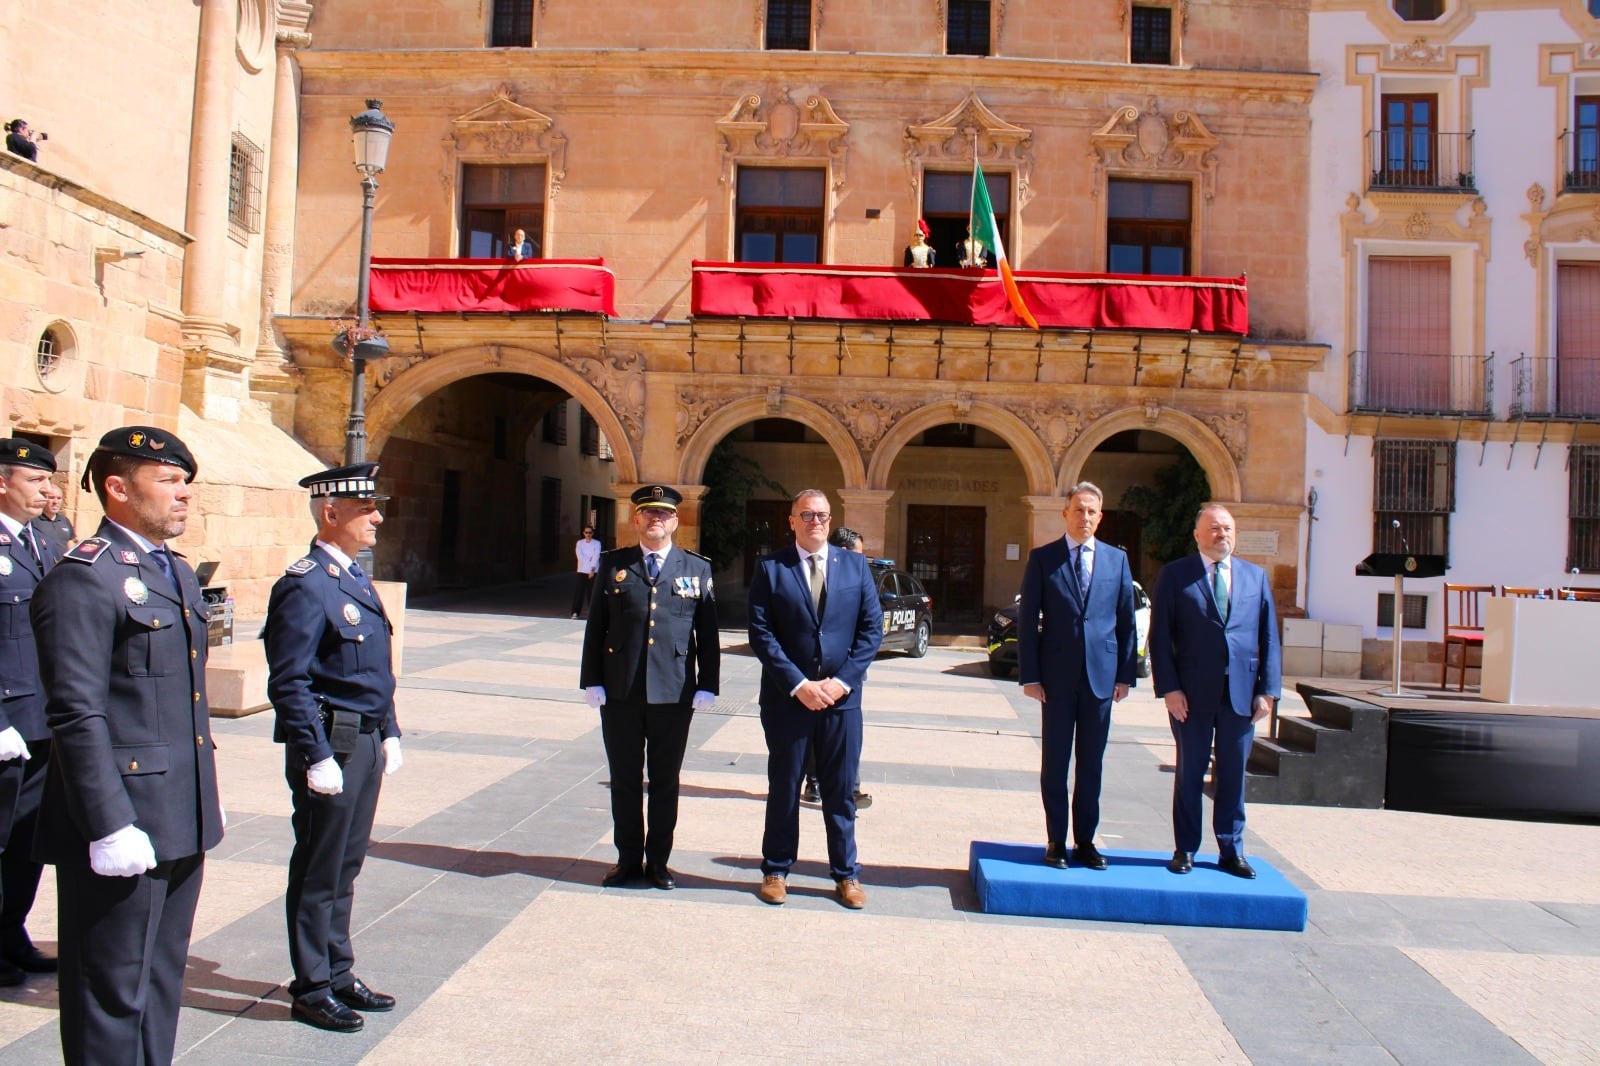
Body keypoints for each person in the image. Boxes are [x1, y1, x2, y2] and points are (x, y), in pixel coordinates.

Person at [30, 426, 223, 1065]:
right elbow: (76, 713)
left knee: (159, 983)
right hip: (121, 820)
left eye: (185, 482)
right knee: (108, 993)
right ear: (118, 488)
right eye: (167, 481)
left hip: (180, 813)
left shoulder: (172, 572)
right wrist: (110, 825)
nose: (184, 495)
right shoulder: (86, 576)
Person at [264, 462, 403, 1033]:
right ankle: (313, 985)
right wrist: (315, 753)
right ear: (331, 513)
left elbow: (374, 668)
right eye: (365, 508)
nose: (377, 517)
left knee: (346, 865)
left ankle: (340, 972)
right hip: (332, 744)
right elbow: (290, 680)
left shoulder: (353, 576)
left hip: (363, 739)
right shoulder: (305, 583)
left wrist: (389, 728)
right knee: (319, 867)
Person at [748, 490, 882, 910]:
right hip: (789, 701)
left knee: (841, 791)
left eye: (821, 515)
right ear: (792, 521)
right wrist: (799, 684)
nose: (815, 521)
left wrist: (841, 682)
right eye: (806, 514)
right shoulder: (771, 568)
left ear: (830, 519)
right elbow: (761, 634)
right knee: (785, 786)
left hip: (841, 702)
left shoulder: (856, 566)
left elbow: (870, 630)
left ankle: (846, 875)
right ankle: (775, 870)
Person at [580, 485, 718, 891]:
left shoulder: (696, 568)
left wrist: (707, 683)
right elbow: (596, 627)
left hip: (673, 694)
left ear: (675, 520)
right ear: (635, 519)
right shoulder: (614, 565)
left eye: (663, 513)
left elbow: (706, 633)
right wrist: (592, 680)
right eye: (648, 512)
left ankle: (658, 862)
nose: (655, 518)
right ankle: (626, 859)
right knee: (623, 779)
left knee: (664, 781)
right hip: (620, 692)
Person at [1150, 503, 1281, 879]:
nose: (1221, 534)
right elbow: (1160, 638)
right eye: (1214, 528)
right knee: (1189, 772)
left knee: (1233, 775)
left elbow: (1269, 637)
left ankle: (1231, 849)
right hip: (1190, 696)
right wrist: (1170, 689)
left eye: (1227, 528)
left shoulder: (1255, 578)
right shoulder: (1176, 576)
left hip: (1241, 694)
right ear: (1197, 534)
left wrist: (1268, 691)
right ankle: (1185, 848)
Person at [1017, 482, 1137, 871]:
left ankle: (1085, 841)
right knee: (1055, 762)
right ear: (1065, 513)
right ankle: (1056, 840)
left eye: (1092, 512)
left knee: (1091, 764)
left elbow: (1125, 623)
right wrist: (1030, 675)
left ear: (1100, 517)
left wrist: (1125, 676)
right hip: (1056, 679)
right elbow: (1028, 621)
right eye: (1079, 510)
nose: (1085, 517)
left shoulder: (1117, 561)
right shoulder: (1043, 559)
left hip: (1101, 680)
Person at [0, 440, 61, 984]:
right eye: (35, 480)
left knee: (26, 839)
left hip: (41, 718)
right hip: (4, 725)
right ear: (2, 482)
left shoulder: (43, 542)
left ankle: (10, 930)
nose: (48, 489)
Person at [800, 526, 873, 811]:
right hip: (817, 670)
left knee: (848, 734)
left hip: (850, 671)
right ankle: (815, 783)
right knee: (816, 729)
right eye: (857, 555)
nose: (860, 561)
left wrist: (852, 668)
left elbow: (870, 625)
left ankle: (850, 788)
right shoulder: (818, 576)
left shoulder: (858, 577)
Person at [32, 481, 75, 556]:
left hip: (62, 565)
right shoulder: (33, 520)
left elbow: (69, 543)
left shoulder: (64, 520)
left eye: (59, 498)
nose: (55, 502)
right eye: (51, 498)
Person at [570, 524, 601, 618]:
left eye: (590, 532)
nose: (588, 534)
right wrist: (589, 562)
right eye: (586, 532)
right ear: (583, 533)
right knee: (579, 592)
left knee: (592, 593)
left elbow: (596, 556)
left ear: (593, 533)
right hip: (581, 570)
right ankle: (575, 612)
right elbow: (580, 556)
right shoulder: (579, 543)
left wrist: (591, 569)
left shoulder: (597, 543)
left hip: (593, 571)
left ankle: (592, 613)